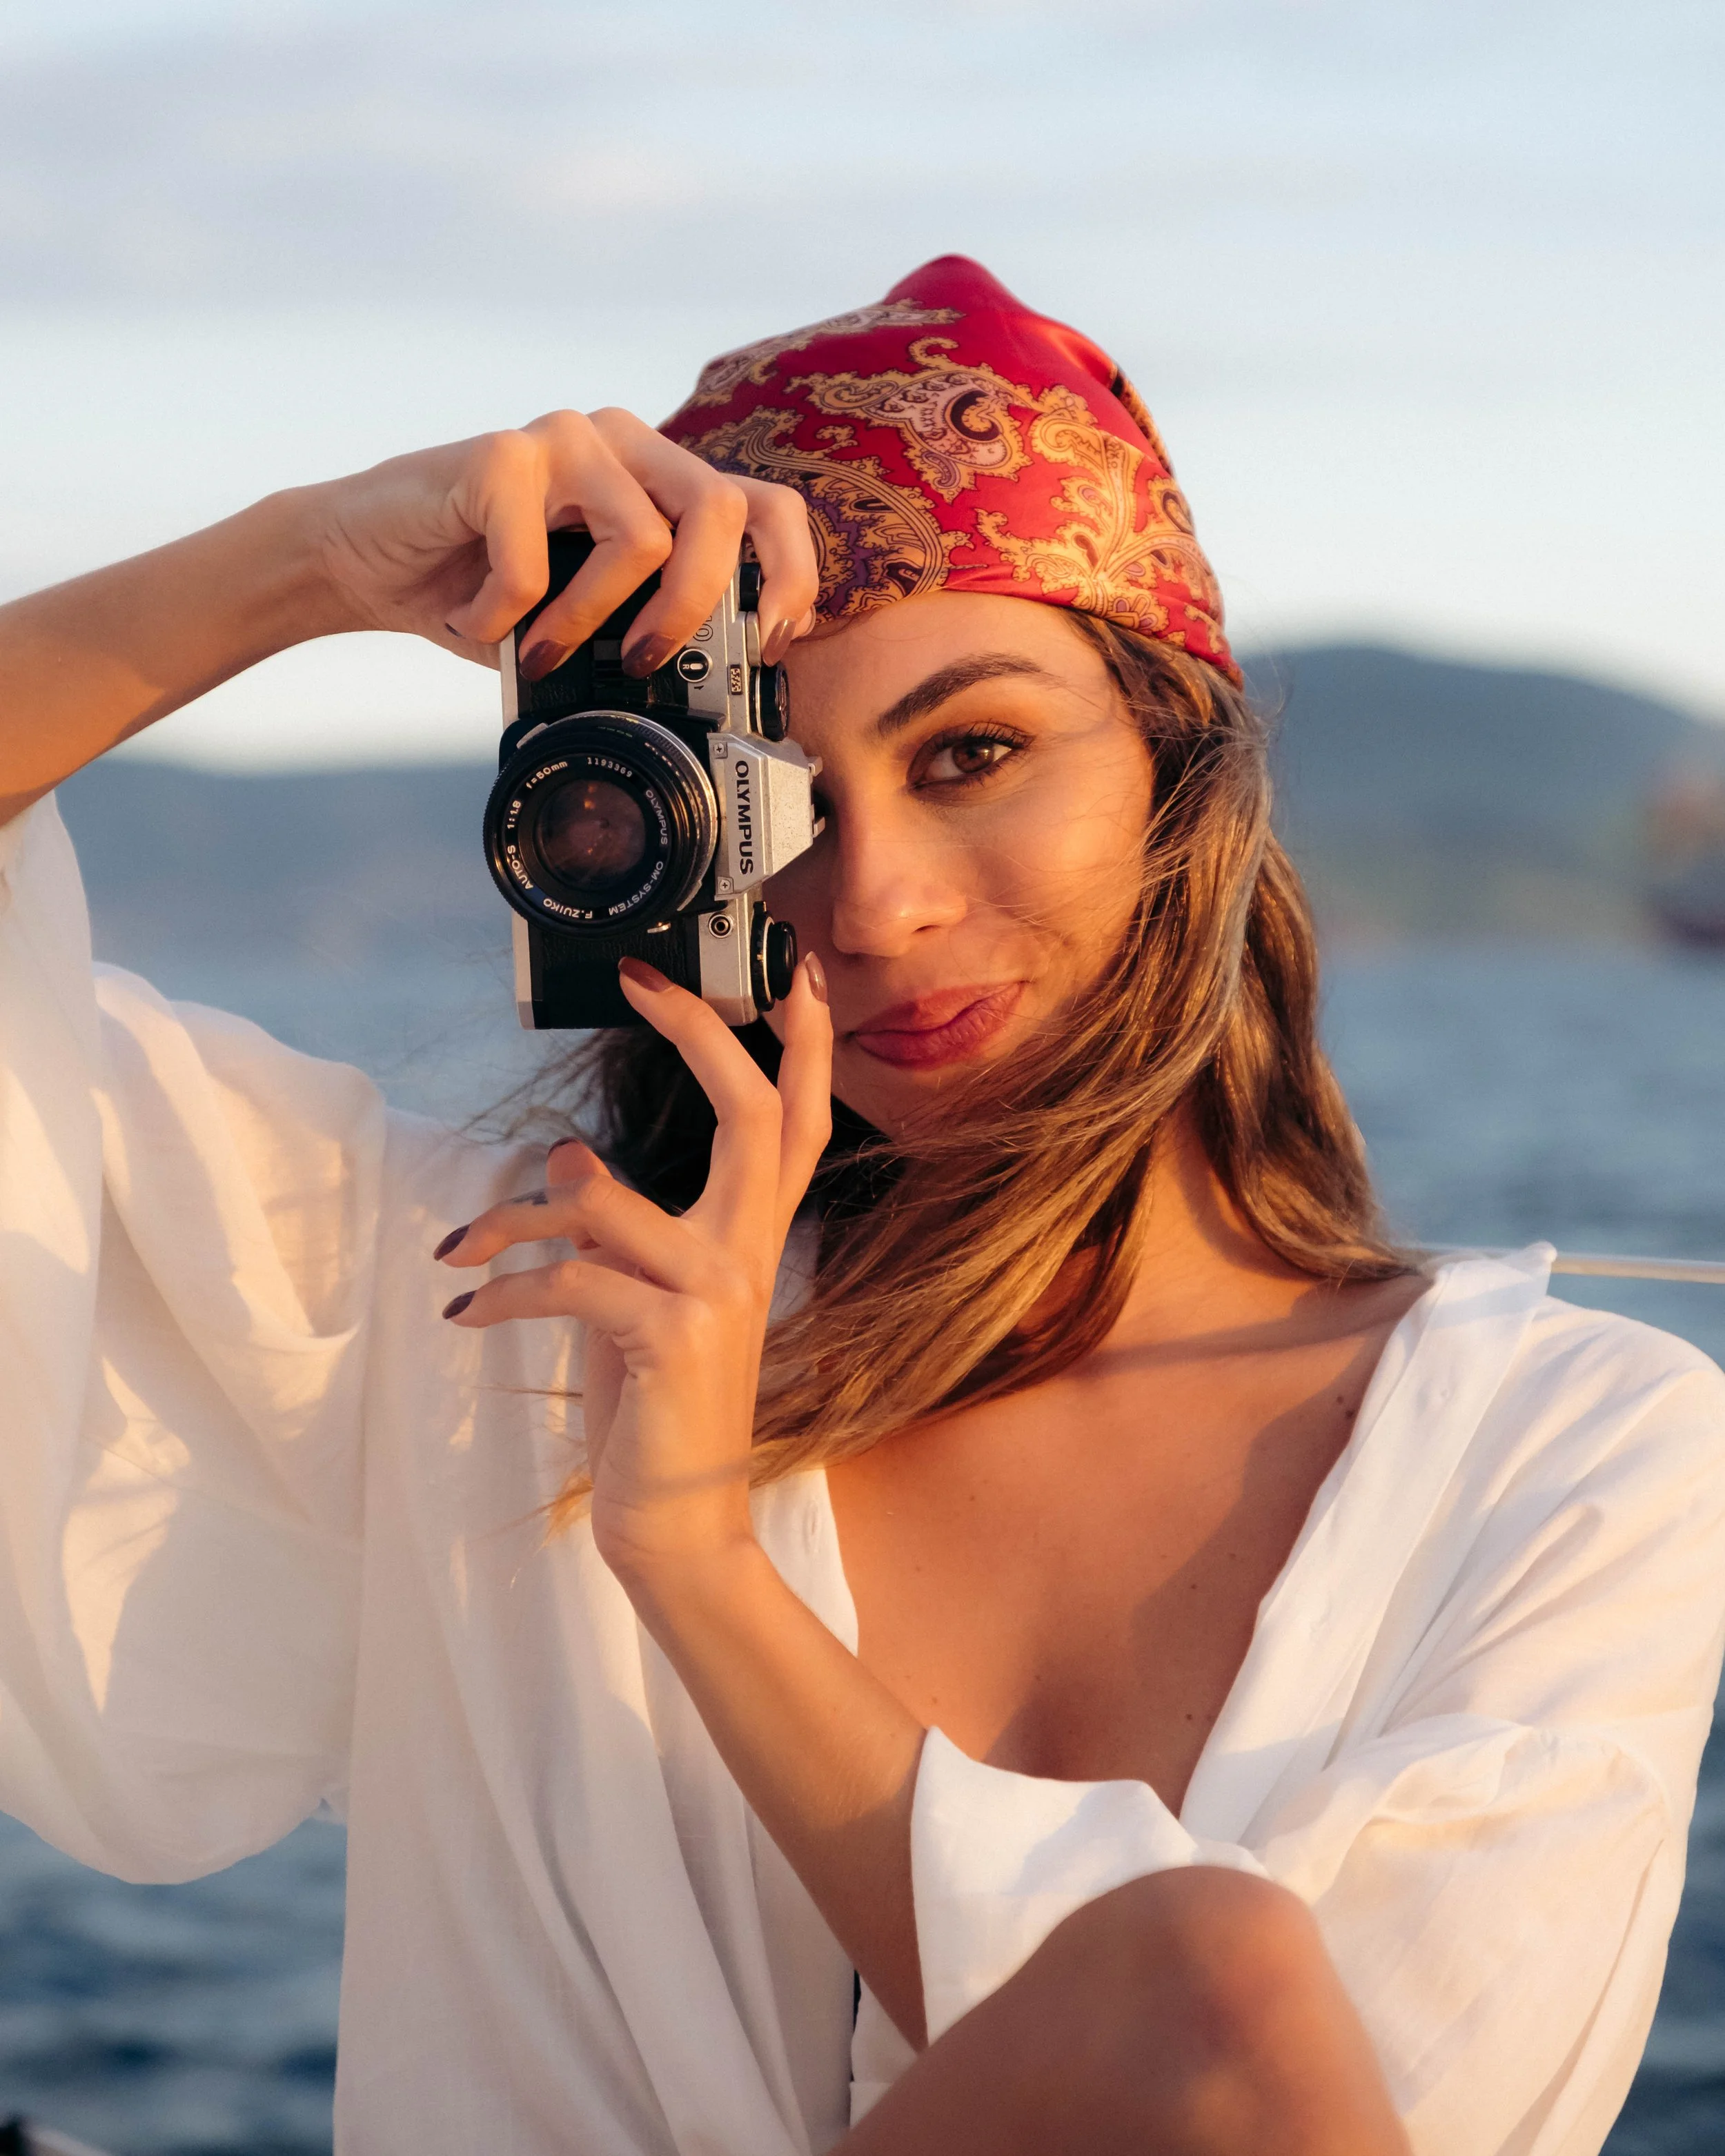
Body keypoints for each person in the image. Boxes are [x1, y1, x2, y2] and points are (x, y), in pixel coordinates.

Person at [0, 255, 1720, 2156]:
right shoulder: (505, 1298)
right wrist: (303, 563)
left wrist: (697, 1561)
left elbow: (1300, 2089)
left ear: (1181, 777)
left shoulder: (1573, 1448)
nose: (876, 902)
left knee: (1205, 1980)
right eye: (775, 804)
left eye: (973, 753)